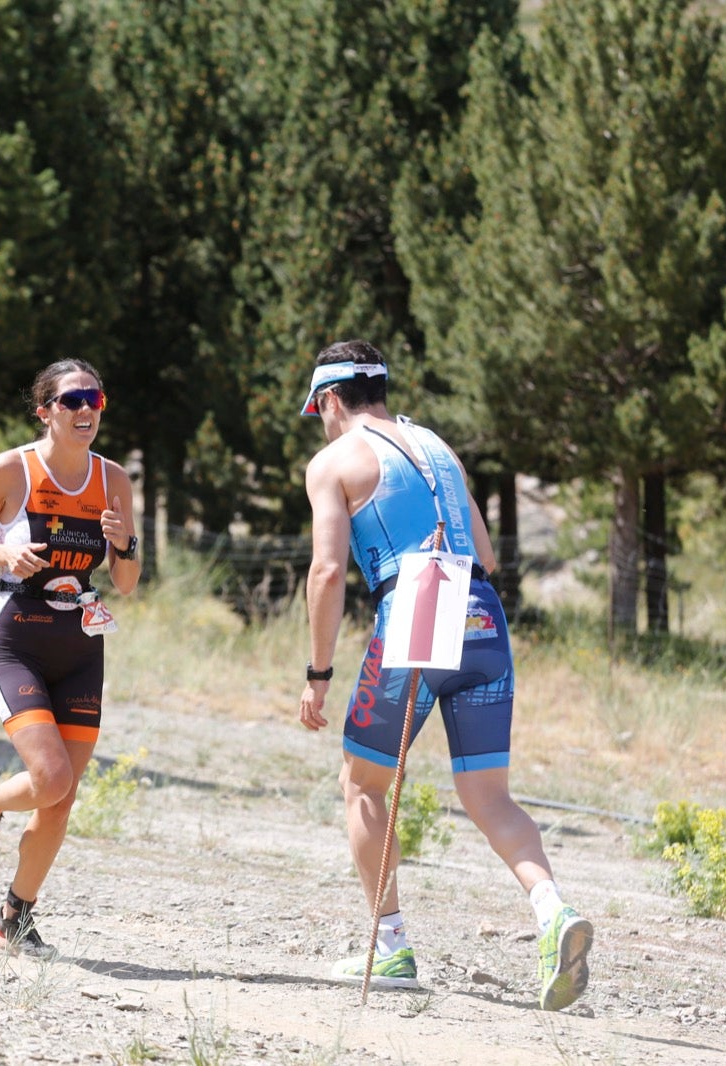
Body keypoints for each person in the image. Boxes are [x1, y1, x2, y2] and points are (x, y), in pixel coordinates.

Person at [296, 339, 592, 1010]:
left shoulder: (334, 460)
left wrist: (318, 673)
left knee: (363, 782)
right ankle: (552, 912)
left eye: (317, 409)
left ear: (332, 400)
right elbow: (484, 553)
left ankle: (391, 944)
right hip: (482, 609)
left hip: (418, 605)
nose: (319, 421)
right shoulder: (438, 448)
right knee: (490, 796)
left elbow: (327, 570)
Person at [0, 359, 141, 959]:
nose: (86, 411)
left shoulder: (114, 482)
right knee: (50, 778)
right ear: (46, 411)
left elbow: (127, 581)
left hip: (80, 643)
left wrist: (122, 541)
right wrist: (1, 554)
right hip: (17, 636)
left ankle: (14, 918)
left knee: (63, 795)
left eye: (95, 400)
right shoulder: (13, 469)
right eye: (72, 400)